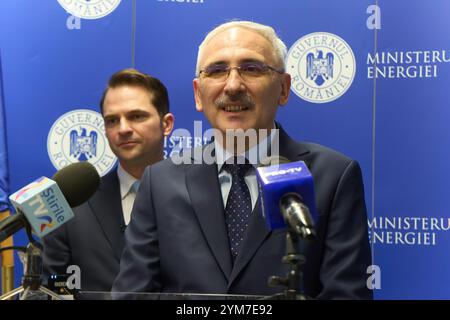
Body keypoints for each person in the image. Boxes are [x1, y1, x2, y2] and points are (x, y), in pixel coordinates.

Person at [113, 21, 372, 299]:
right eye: (217, 71)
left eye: (251, 68)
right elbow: (132, 295)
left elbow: (346, 294)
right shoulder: (160, 182)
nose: (233, 85)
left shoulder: (332, 176)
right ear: (198, 94)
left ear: (284, 89)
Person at [42, 68, 174, 291]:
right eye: (112, 120)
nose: (123, 129)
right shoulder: (67, 203)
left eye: (136, 116)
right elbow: (49, 290)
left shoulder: (199, 196)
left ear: (166, 124)